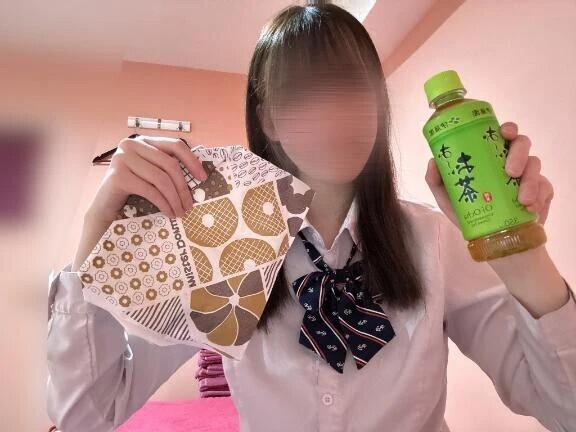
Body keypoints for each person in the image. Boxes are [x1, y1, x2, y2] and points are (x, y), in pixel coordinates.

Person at [46, 2, 576, 431]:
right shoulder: (216, 246)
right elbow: (86, 417)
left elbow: (565, 411)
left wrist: (522, 256)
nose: (334, 114)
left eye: (352, 86)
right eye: (302, 94)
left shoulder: (434, 239)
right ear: (269, 120)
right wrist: (95, 237)